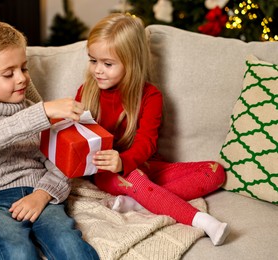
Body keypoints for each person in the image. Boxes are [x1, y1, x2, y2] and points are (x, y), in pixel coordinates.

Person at [75, 13, 230, 246]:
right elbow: (78, 139)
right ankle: (203, 221)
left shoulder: (150, 96)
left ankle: (140, 202)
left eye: (107, 64)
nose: (97, 70)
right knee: (135, 179)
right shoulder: (86, 91)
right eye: (93, 60)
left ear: (132, 62)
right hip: (106, 172)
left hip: (142, 164)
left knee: (215, 171)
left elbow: (146, 143)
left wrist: (124, 161)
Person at [0, 17, 99, 260]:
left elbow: (61, 163)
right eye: (8, 74)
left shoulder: (35, 111)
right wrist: (43, 112)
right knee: (18, 250)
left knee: (67, 241)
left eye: (24, 68)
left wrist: (42, 195)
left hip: (36, 193)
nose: (21, 78)